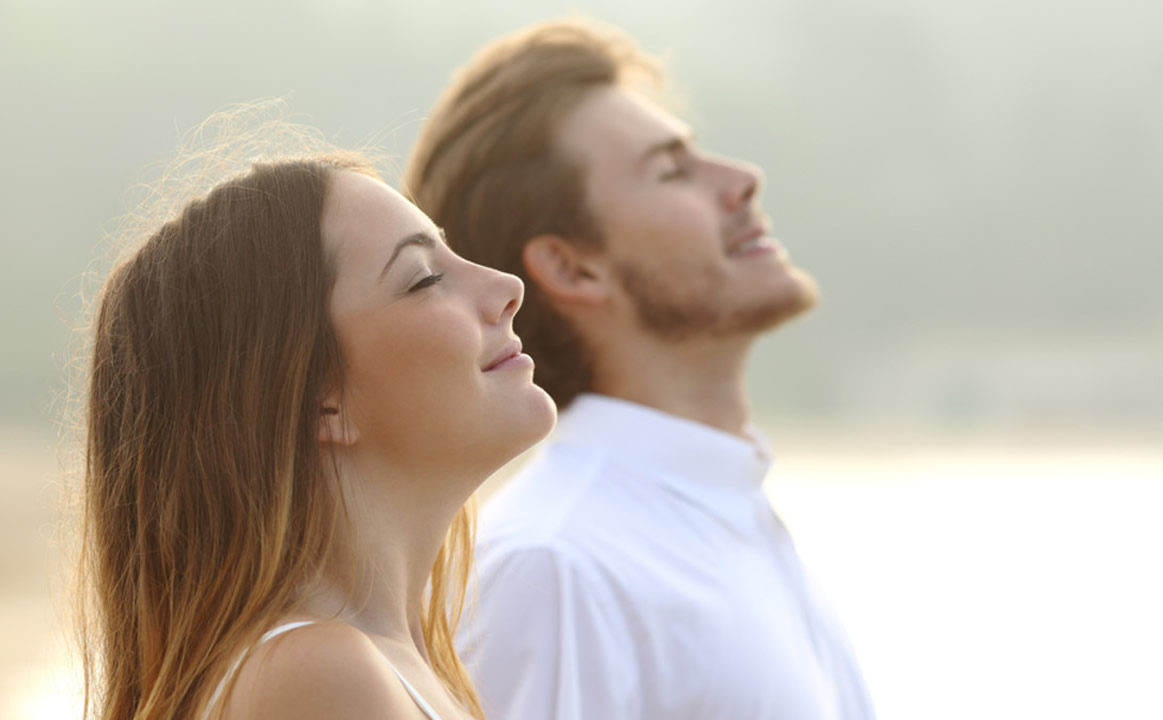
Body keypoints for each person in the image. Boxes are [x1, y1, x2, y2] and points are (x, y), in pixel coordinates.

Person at [403, 19, 875, 720]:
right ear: (573, 267)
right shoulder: (556, 568)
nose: (743, 180)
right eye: (671, 170)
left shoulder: (726, 515)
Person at [76, 126, 555, 720]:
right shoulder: (317, 676)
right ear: (319, 401)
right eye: (425, 278)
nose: (508, 287)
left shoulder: (396, 665)